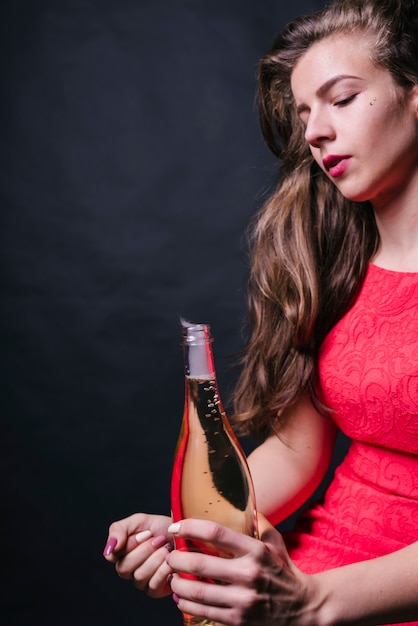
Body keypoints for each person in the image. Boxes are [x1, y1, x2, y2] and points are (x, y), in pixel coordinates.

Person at [103, 0, 418, 623]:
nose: (315, 131)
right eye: (304, 113)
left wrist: (320, 602)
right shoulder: (331, 262)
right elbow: (301, 449)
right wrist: (192, 533)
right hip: (305, 578)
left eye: (342, 98)